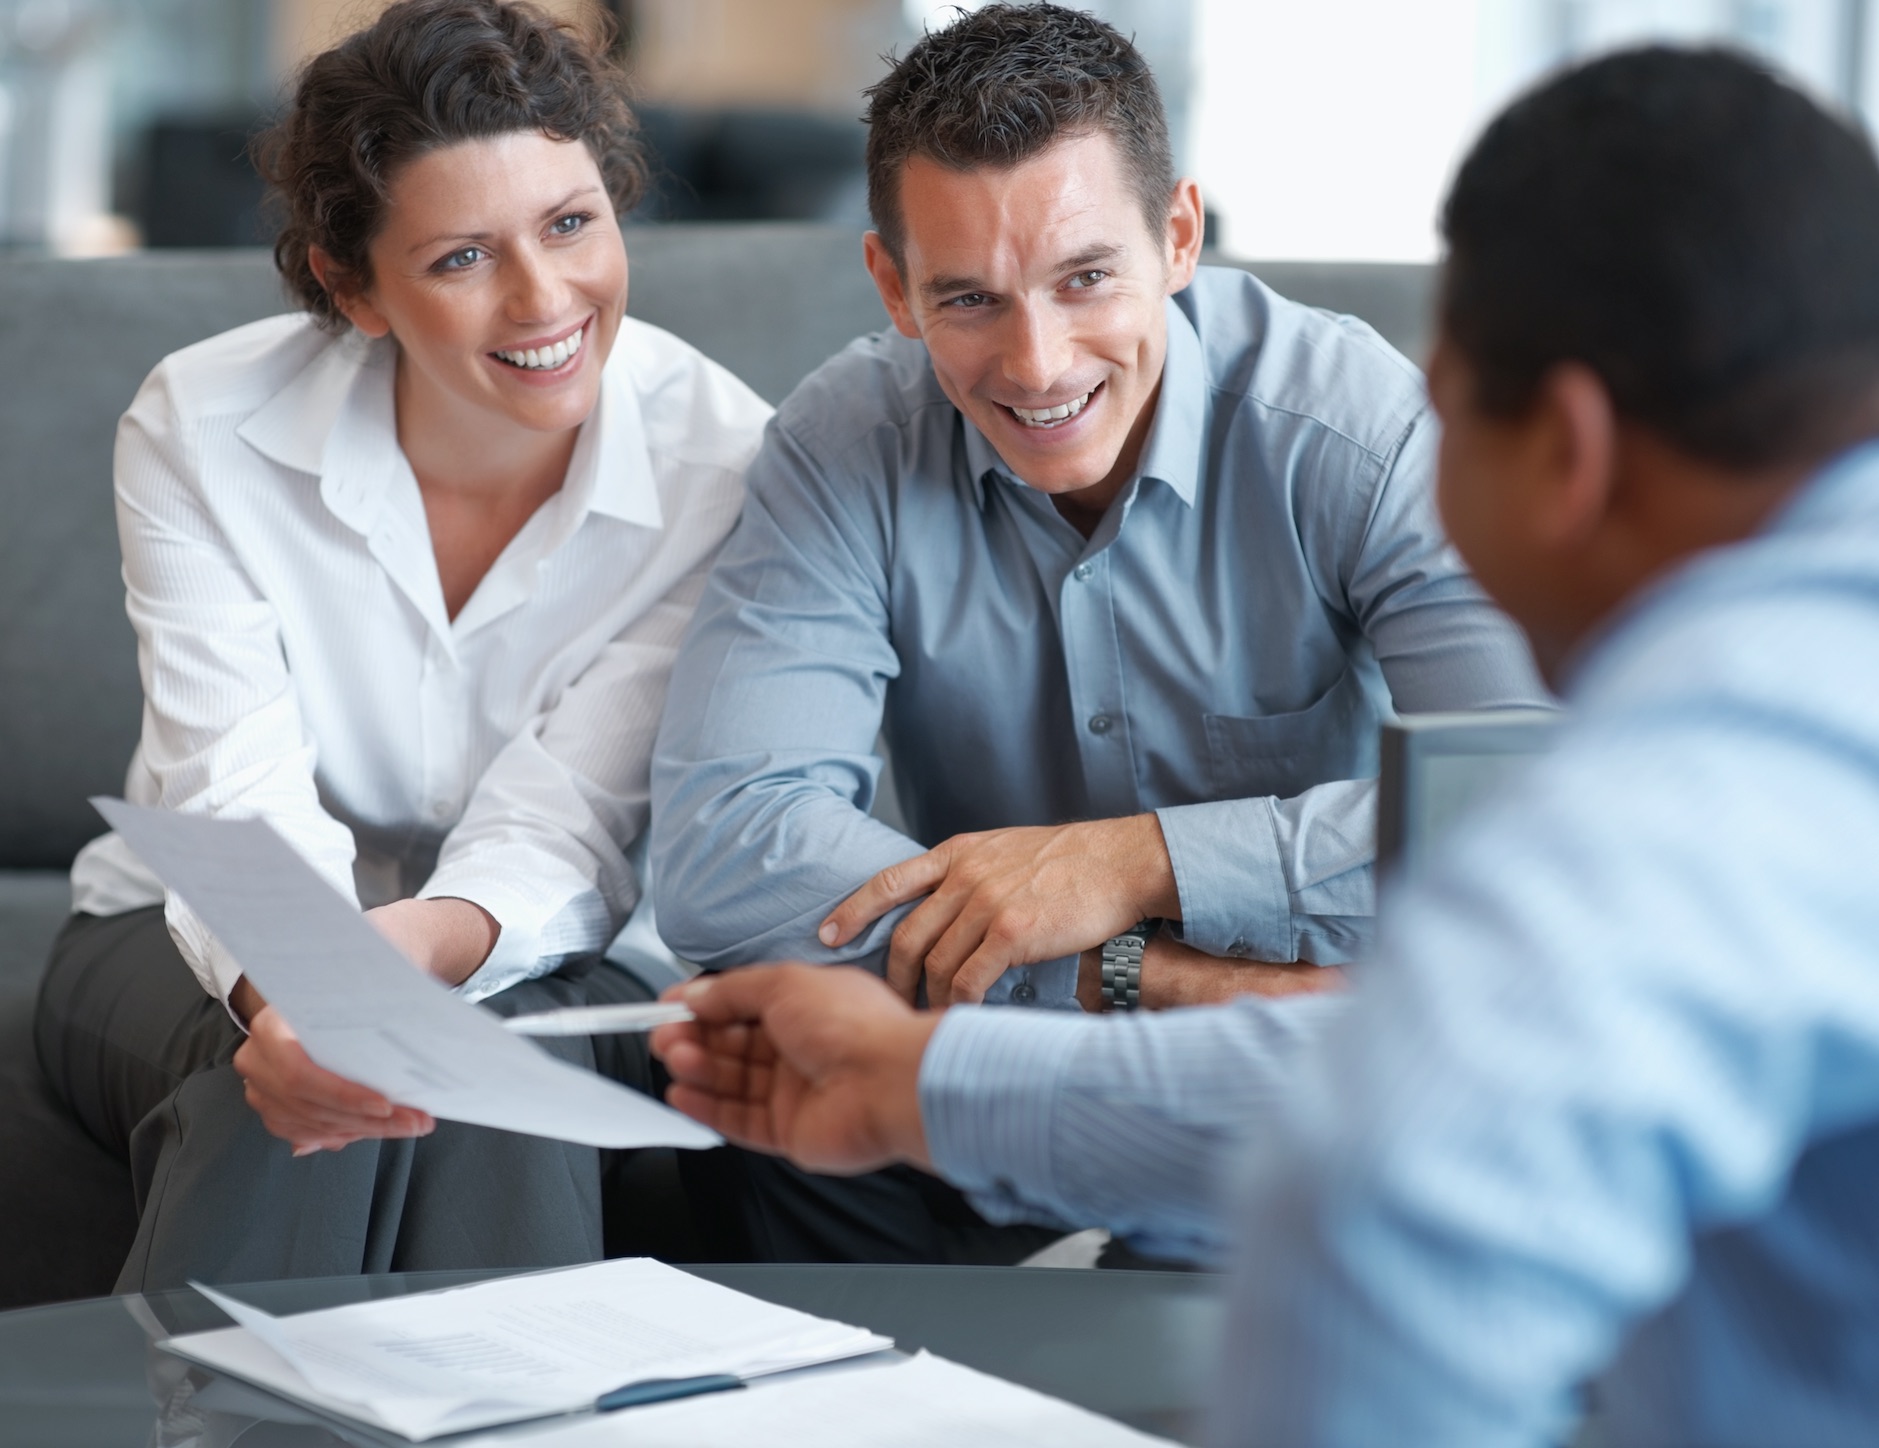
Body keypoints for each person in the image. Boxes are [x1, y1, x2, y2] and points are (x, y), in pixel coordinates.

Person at [651, 45, 1879, 1444]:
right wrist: (944, 1072)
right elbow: (1378, 1068)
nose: (1038, 356)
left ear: (1562, 449)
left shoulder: (1694, 762)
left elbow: (1395, 1134)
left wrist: (1128, 887)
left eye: (1447, 399)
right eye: (972, 298)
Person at [647, 0, 1545, 1263]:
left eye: (1084, 278)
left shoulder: (1359, 432)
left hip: (1264, 1088)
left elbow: (1520, 805)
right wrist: (1127, 972)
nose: (1036, 361)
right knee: (770, 1073)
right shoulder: (841, 443)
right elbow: (728, 847)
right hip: (1000, 1052)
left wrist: (1136, 860)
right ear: (891, 285)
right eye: (967, 297)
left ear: (1177, 235)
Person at [32, 0, 770, 1291]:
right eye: (459, 259)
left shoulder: (725, 463)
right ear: (348, 286)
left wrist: (411, 958)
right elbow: (229, 786)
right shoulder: (202, 425)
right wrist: (299, 995)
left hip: (550, 948)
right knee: (271, 1097)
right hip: (188, 934)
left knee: (495, 1083)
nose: (546, 299)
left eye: (570, 224)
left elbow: (575, 814)